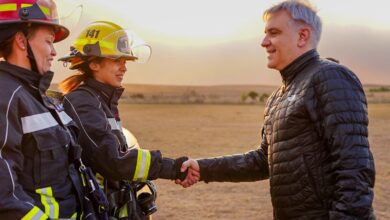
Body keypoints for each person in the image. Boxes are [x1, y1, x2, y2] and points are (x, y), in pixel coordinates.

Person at [177, 0, 376, 219]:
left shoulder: (330, 77)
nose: (264, 42)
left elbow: (355, 168)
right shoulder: (278, 97)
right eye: (265, 33)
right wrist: (202, 167)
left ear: (302, 36)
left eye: (274, 32)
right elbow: (262, 161)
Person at [58, 21, 187, 220]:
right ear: (94, 63)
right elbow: (113, 160)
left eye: (125, 61)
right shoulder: (82, 101)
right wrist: (172, 168)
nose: (124, 68)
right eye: (117, 60)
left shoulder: (102, 100)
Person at [0, 0, 104, 219]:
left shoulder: (39, 98)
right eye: (49, 41)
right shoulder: (5, 96)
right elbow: (5, 198)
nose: (54, 52)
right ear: (21, 41)